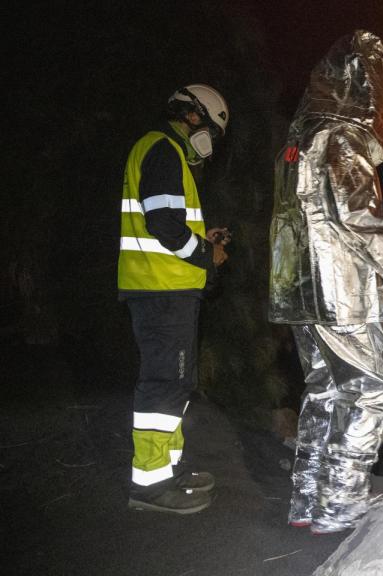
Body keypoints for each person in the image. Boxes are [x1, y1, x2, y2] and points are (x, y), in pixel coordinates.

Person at [268, 30, 383, 534]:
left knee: (325, 388)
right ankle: (341, 503)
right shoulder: (342, 139)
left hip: (298, 291)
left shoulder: (298, 144)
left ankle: (308, 499)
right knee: (371, 386)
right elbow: (359, 216)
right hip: (340, 292)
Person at [118, 84, 231, 514]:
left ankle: (168, 470)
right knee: (165, 383)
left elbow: (165, 223)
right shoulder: (164, 150)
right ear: (194, 116)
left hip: (164, 289)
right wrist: (207, 253)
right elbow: (164, 224)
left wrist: (204, 239)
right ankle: (149, 485)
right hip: (161, 291)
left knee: (175, 383)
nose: (210, 144)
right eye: (213, 133)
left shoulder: (164, 152)